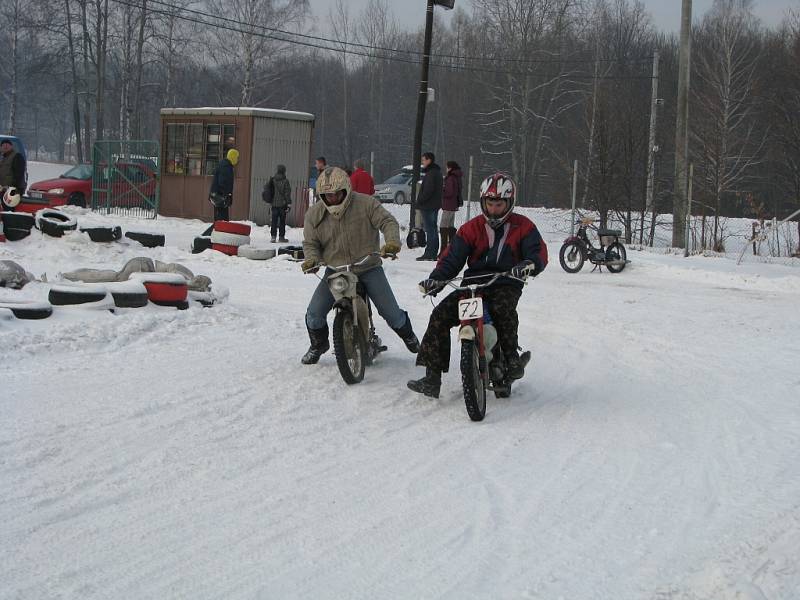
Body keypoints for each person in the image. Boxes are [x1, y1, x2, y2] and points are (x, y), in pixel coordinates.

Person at [407, 173, 548, 399]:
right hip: (473, 285)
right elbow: (452, 259)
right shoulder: (470, 228)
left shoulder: (524, 226)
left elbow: (538, 252)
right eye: (489, 203)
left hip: (505, 281)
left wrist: (529, 265)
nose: (493, 209)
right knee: (440, 315)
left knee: (503, 310)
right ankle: (432, 377)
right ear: (483, 202)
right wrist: (436, 279)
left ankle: (511, 358)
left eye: (499, 204)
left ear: (509, 203)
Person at [300, 166, 420, 364]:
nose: (332, 199)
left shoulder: (366, 203)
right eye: (327, 195)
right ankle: (318, 345)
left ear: (346, 189)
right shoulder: (314, 214)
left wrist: (392, 243)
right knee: (314, 314)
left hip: (368, 266)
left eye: (336, 194)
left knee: (391, 313)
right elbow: (310, 242)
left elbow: (388, 221)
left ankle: (408, 335)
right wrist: (311, 259)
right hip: (336, 271)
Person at [415, 151, 443, 261]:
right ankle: (432, 252)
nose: (422, 162)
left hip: (429, 205)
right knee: (433, 229)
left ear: (429, 160)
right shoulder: (436, 172)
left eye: (423, 160)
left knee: (430, 229)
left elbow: (428, 190)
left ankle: (430, 253)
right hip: (434, 205)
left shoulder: (431, 173)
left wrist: (420, 200)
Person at [439, 160, 463, 257]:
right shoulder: (457, 177)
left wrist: (442, 191)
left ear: (450, 168)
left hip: (448, 205)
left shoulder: (450, 178)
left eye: (447, 167)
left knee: (443, 226)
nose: (446, 169)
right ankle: (452, 249)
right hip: (454, 205)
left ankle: (443, 250)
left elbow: (449, 192)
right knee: (451, 226)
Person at [209, 148, 239, 223]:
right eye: (237, 157)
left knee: (220, 220)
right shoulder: (226, 167)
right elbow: (222, 182)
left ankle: (218, 232)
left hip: (218, 197)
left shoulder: (225, 164)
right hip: (220, 197)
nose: (237, 159)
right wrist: (227, 195)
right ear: (233, 157)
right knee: (222, 220)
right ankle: (218, 233)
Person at [0, 138, 26, 210]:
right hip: (3, 190)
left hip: (12, 190)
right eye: (3, 145)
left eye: (7, 144)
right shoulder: (3, 158)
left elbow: (19, 174)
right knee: (4, 209)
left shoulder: (17, 156)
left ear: (11, 146)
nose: (5, 146)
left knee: (8, 211)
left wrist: (13, 188)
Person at [269, 164, 292, 243]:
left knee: (274, 221)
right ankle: (281, 237)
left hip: (274, 204)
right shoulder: (286, 181)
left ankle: (273, 237)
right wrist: (289, 203)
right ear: (284, 171)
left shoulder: (272, 180)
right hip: (283, 205)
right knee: (282, 221)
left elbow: (270, 192)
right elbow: (287, 193)